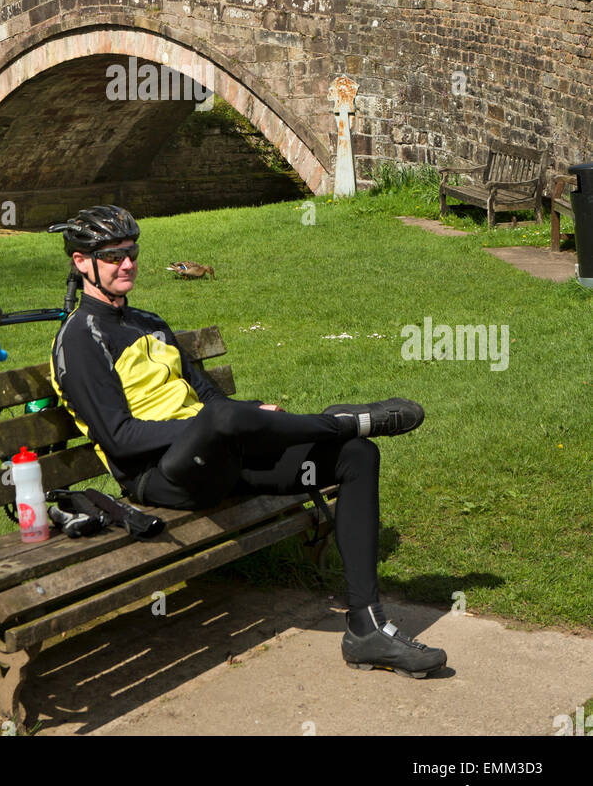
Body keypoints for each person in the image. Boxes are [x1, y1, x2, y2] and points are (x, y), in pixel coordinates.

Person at [47, 205, 447, 678]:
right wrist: (216, 422)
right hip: (162, 479)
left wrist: (248, 414)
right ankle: (338, 421)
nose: (128, 263)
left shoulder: (149, 322)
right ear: (80, 262)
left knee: (356, 456)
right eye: (112, 255)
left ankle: (367, 630)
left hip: (219, 457)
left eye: (131, 251)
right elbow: (120, 439)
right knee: (226, 419)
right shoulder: (79, 339)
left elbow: (210, 396)